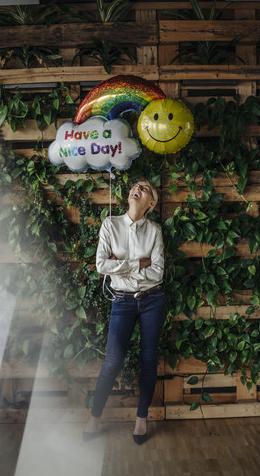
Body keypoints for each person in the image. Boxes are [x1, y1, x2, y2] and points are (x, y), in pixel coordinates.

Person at [83, 179, 165, 445]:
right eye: (135, 186)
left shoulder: (155, 231)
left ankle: (141, 418)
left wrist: (120, 265)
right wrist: (137, 263)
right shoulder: (110, 224)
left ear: (151, 202)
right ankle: (94, 417)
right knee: (112, 362)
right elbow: (100, 265)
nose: (136, 189)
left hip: (153, 300)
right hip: (122, 301)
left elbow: (158, 272)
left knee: (148, 360)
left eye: (144, 188)